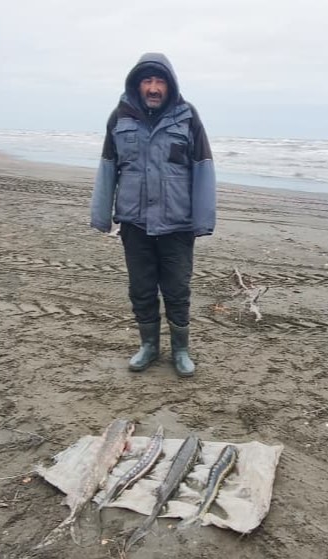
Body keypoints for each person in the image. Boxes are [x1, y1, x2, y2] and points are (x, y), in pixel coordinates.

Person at [90, 52, 216, 377]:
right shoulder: (120, 117)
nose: (154, 88)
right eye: (147, 81)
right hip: (135, 223)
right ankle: (148, 346)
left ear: (170, 85)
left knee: (177, 290)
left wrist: (203, 221)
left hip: (178, 224)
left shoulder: (187, 116)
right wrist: (101, 215)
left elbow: (203, 168)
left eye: (160, 81)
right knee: (141, 289)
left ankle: (180, 349)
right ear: (137, 84)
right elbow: (108, 167)